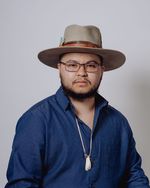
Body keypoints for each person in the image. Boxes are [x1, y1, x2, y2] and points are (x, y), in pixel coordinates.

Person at [5, 24, 149, 188]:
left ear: (102, 70)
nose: (82, 72)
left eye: (91, 65)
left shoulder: (118, 123)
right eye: (72, 65)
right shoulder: (36, 121)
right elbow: (22, 184)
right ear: (60, 68)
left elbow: (133, 177)